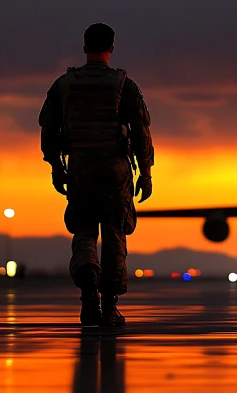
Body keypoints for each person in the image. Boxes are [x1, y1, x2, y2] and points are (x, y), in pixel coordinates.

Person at [39, 23, 154, 326]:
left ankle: (88, 281)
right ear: (112, 48)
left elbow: (48, 129)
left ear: (84, 47)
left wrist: (56, 167)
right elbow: (141, 131)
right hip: (115, 168)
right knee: (115, 232)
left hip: (79, 166)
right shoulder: (123, 84)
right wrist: (146, 172)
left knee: (84, 229)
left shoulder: (64, 84)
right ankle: (109, 305)